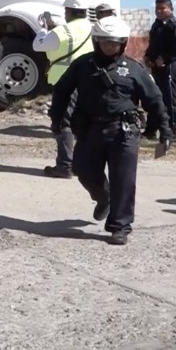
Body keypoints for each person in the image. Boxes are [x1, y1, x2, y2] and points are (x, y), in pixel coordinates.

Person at [49, 16, 171, 245]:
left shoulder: (134, 70)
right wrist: (57, 119)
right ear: (96, 42)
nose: (109, 46)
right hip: (90, 129)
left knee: (123, 180)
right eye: (105, 42)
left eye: (114, 43)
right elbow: (62, 90)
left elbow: (155, 100)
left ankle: (120, 226)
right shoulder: (82, 65)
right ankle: (104, 199)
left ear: (122, 44)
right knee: (82, 170)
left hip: (123, 131)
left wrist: (165, 131)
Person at [32, 0, 93, 178]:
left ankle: (65, 166)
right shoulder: (94, 28)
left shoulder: (63, 31)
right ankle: (84, 164)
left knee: (63, 122)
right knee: (84, 123)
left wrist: (43, 30)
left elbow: (38, 45)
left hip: (65, 82)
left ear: (69, 11)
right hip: (89, 81)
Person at [143, 0, 176, 136]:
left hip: (170, 68)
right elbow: (153, 44)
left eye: (163, 8)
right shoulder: (156, 25)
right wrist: (148, 57)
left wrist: (165, 59)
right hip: (156, 68)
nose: (159, 11)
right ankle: (151, 129)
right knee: (155, 97)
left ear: (171, 9)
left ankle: (172, 130)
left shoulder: (173, 25)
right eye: (157, 8)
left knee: (170, 99)